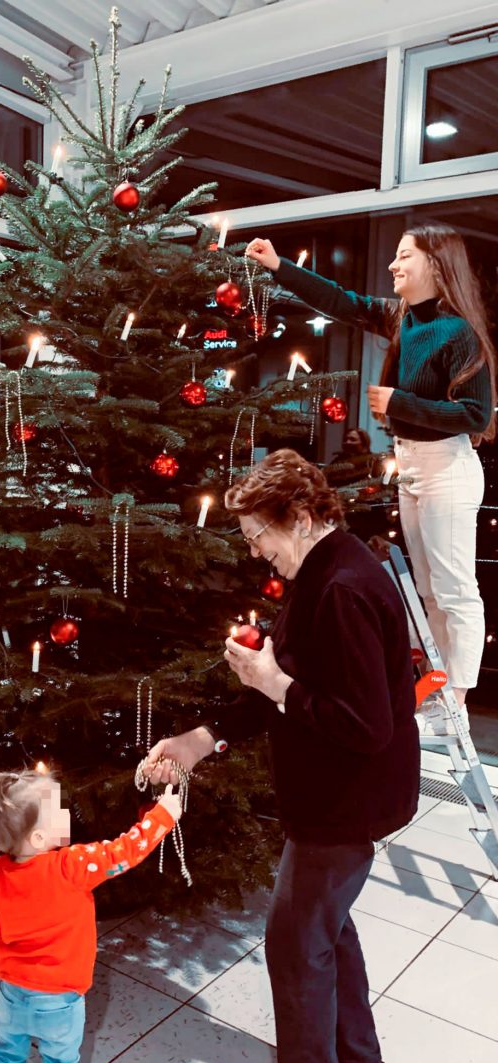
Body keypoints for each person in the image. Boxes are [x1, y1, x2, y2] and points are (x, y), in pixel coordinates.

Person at [145, 449, 420, 1063]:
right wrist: (198, 740)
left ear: (297, 517)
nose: (254, 551)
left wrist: (273, 682)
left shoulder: (343, 588)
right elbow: (289, 684)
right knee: (327, 932)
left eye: (258, 535)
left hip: (345, 800)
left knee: (296, 947)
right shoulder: (322, 568)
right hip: (341, 795)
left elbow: (364, 725)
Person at [246, 227, 496, 729]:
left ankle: (458, 702)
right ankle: (436, 690)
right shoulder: (402, 317)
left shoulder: (460, 333)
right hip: (412, 465)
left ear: (436, 265)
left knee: (453, 591)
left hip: (448, 466)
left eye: (404, 256)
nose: (393, 265)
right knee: (427, 589)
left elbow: (474, 415)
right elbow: (342, 301)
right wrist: (279, 266)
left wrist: (399, 403)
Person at [0, 768, 182, 1063]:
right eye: (59, 810)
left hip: (12, 992)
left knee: (7, 1052)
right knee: (59, 1062)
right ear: (39, 837)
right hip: (61, 996)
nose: (67, 814)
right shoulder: (70, 866)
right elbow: (123, 852)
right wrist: (163, 816)